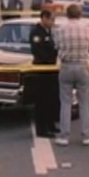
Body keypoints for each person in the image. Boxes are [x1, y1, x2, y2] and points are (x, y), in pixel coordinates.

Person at [52, 3, 89, 146]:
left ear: (67, 14)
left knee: (65, 102)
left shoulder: (60, 30)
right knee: (84, 102)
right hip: (82, 66)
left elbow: (56, 46)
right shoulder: (87, 30)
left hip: (66, 66)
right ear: (80, 14)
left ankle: (64, 136)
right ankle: (86, 135)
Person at [29, 9, 60, 138]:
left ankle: (50, 124)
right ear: (44, 18)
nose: (53, 22)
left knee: (51, 99)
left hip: (51, 70)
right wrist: (51, 56)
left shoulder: (49, 31)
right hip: (42, 70)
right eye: (51, 19)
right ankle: (42, 129)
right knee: (42, 100)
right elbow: (38, 51)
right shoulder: (36, 33)